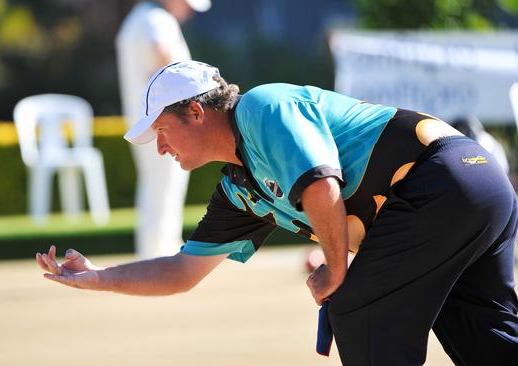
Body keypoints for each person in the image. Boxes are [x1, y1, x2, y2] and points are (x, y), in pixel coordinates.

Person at [36, 61, 518, 365]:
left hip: (443, 179)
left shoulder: (264, 107)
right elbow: (184, 271)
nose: (160, 147)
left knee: (356, 308)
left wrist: (335, 269)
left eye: (162, 130)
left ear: (197, 112)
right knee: (483, 334)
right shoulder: (238, 188)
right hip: (479, 184)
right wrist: (98, 277)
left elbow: (320, 183)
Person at [115, 0, 211, 259]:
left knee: (158, 186)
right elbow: (162, 52)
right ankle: (161, 256)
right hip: (164, 121)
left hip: (151, 119)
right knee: (165, 186)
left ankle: (159, 253)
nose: (189, 11)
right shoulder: (156, 20)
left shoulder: (140, 18)